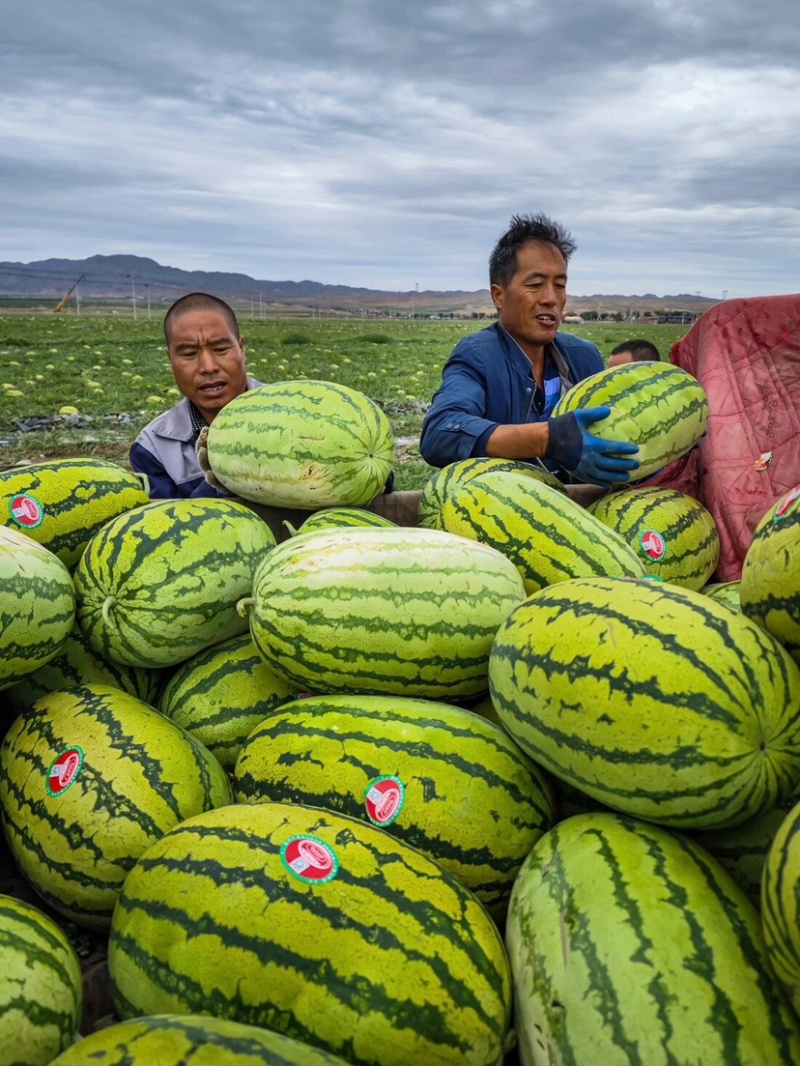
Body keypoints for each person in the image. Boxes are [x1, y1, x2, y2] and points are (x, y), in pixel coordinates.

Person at [419, 213, 640, 486]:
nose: (550, 298)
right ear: (498, 296)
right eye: (535, 285)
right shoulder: (479, 356)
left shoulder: (584, 357)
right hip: (502, 509)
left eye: (559, 285)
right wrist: (549, 439)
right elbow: (440, 432)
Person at [130, 292, 261, 498]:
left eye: (220, 349)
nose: (208, 367)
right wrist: (220, 476)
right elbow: (170, 525)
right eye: (189, 354)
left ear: (242, 349)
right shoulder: (154, 448)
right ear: (170, 360)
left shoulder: (295, 412)